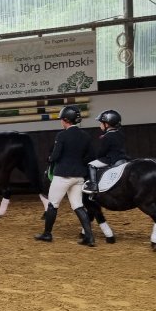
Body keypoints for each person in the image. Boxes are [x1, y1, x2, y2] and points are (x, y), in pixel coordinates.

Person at [35, 105, 95, 246]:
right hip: (79, 176)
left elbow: (55, 156)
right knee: (78, 206)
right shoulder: (85, 136)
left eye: (62, 119)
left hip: (62, 175)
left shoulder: (62, 135)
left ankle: (47, 234)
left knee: (52, 204)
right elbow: (91, 156)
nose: (61, 121)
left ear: (66, 120)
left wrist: (49, 158)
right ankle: (89, 237)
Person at [83, 110, 129, 194]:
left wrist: (98, 157)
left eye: (101, 123)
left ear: (106, 124)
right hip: (123, 158)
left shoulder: (107, 136)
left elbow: (102, 152)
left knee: (91, 165)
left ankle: (93, 185)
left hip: (111, 159)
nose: (100, 125)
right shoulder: (120, 134)